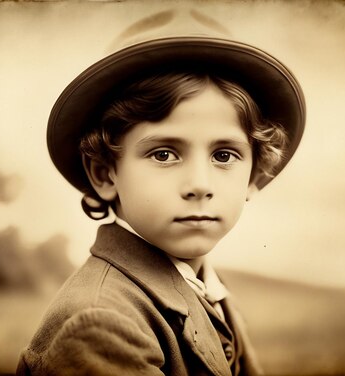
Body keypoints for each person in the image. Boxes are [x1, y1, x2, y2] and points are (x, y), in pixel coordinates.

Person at [17, 7, 305, 376]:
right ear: (105, 173)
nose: (200, 184)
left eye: (224, 155)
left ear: (253, 177)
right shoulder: (100, 323)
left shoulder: (207, 287)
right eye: (164, 154)